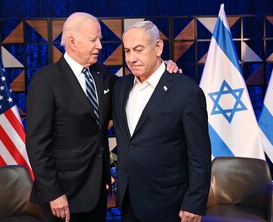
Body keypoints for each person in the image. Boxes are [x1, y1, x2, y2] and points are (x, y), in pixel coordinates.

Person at [26, 12, 179, 222]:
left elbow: (134, 88)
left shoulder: (102, 74)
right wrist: (54, 194)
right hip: (63, 196)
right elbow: (37, 145)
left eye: (99, 39)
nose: (100, 45)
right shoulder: (46, 80)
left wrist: (163, 67)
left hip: (98, 193)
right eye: (93, 40)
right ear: (72, 41)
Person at [112, 20, 212, 222]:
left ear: (158, 47)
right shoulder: (120, 87)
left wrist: (194, 202)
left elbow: (199, 154)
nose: (131, 58)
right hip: (128, 200)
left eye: (138, 50)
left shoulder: (187, 91)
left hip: (168, 204)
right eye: (128, 51)